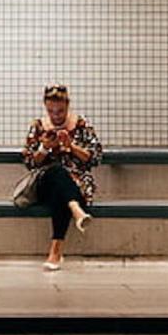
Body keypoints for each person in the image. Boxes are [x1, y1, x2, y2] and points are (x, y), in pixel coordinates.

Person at [20, 84, 103, 271]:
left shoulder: (81, 125)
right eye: (51, 111)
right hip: (46, 182)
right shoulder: (39, 127)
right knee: (57, 171)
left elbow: (95, 157)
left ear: (68, 106)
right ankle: (76, 210)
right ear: (45, 107)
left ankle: (55, 252)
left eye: (60, 111)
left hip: (77, 182)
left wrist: (72, 147)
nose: (56, 115)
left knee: (61, 194)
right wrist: (45, 148)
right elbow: (30, 162)